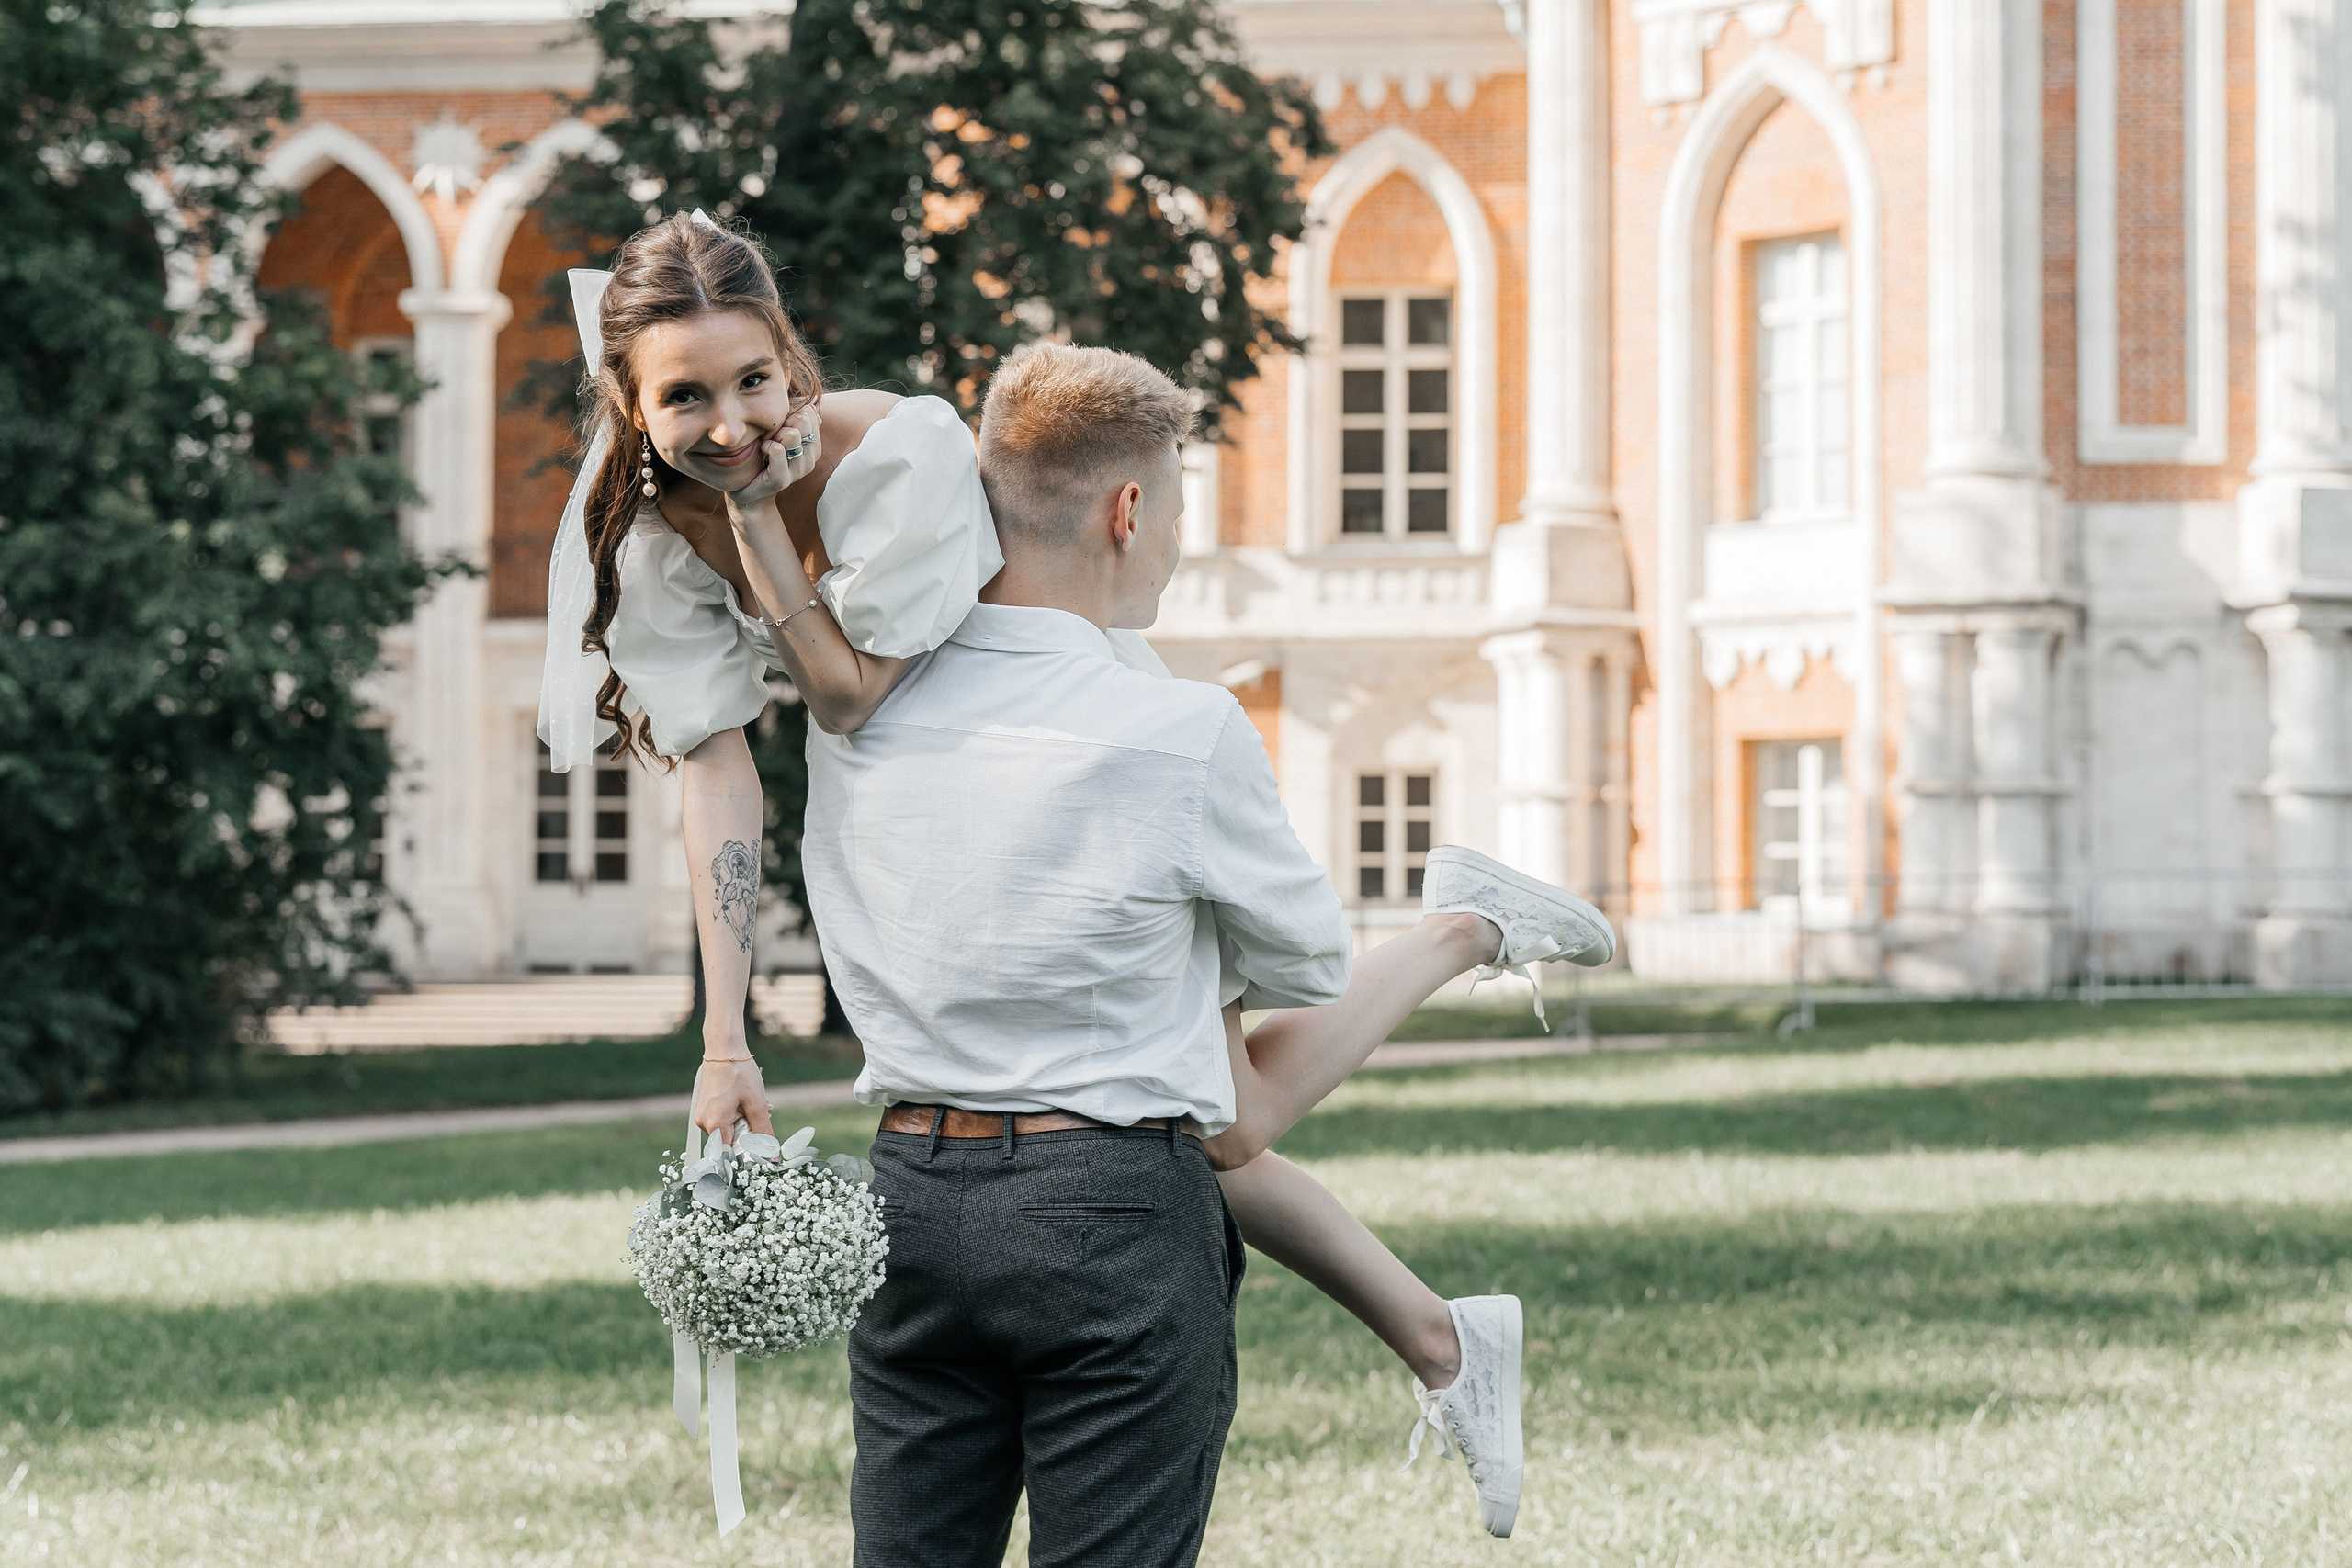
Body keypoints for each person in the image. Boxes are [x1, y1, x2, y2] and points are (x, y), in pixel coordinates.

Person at [536, 216, 1614, 1545]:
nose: (730, 424)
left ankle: (1452, 1235)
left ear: (793, 365)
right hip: (1051, 1179)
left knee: (1221, 1116)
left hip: (954, 1135)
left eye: (751, 382)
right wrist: (722, 1039)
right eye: (685, 399)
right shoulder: (669, 538)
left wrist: (761, 526)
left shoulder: (911, 462)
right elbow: (757, 747)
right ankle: (1462, 962)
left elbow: (847, 698)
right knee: (1227, 1114)